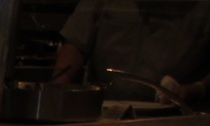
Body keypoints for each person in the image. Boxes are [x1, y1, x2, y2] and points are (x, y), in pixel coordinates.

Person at [51, 0, 210, 104]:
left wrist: (197, 88)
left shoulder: (202, 7)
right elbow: (76, 43)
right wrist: (56, 91)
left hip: (173, 116)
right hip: (103, 108)